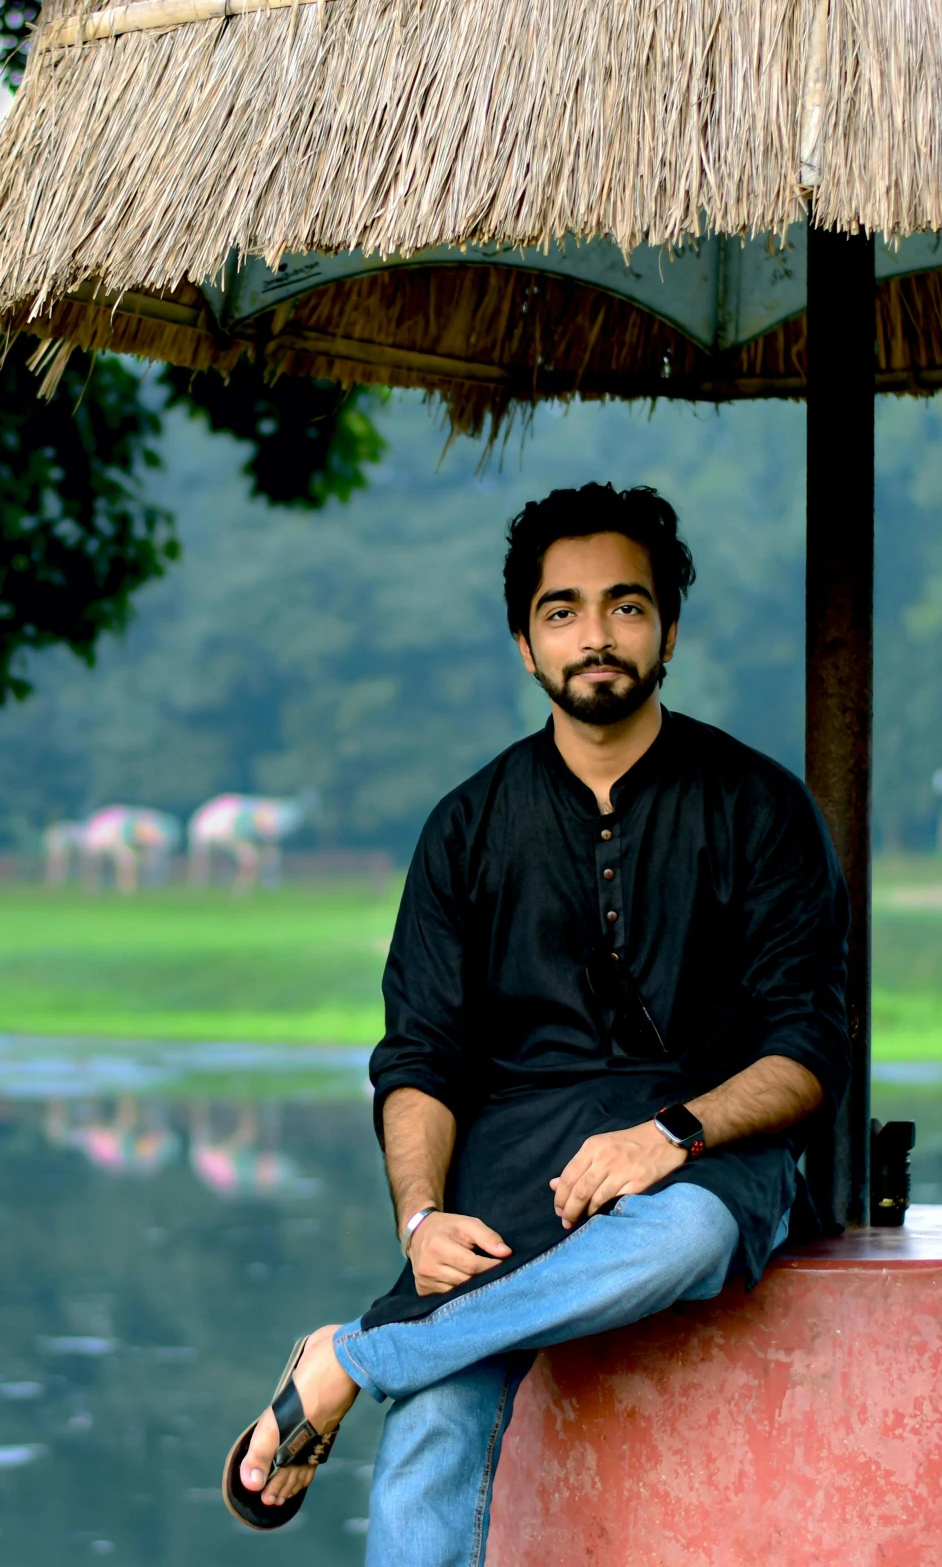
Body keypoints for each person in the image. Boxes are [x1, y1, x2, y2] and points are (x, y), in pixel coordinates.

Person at [221, 483, 850, 1566]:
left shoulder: (759, 807)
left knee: (686, 1233)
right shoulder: (465, 827)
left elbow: (806, 1049)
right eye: (561, 610)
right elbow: (418, 1056)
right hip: (511, 1164)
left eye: (624, 605)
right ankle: (400, 1353)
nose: (595, 635)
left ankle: (352, 1359)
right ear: (523, 642)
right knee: (434, 1417)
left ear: (666, 630)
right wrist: (421, 1221)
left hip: (705, 1158)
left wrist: (669, 1135)